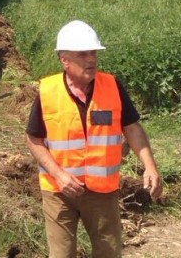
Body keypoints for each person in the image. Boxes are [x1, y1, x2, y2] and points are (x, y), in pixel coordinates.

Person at [26, 20, 162, 258]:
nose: (92, 59)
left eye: (94, 53)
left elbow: (132, 128)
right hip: (59, 191)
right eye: (83, 54)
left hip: (102, 192)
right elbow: (34, 140)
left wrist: (150, 166)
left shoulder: (111, 86)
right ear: (65, 60)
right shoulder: (47, 91)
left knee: (108, 253)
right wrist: (59, 175)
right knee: (62, 255)